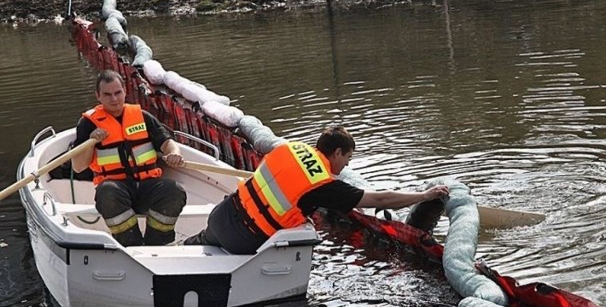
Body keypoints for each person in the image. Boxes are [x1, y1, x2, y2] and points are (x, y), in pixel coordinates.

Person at [184, 125, 449, 253]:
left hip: (221, 216)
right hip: (243, 237)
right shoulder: (322, 183)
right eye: (347, 159)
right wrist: (424, 195)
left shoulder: (289, 148)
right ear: (336, 153)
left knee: (190, 250)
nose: (345, 167)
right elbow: (380, 198)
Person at [72, 69, 187, 246]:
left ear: (125, 91)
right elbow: (78, 166)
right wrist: (92, 141)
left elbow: (167, 143)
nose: (114, 99)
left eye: (118, 93)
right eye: (107, 94)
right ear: (98, 96)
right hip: (116, 190)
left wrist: (174, 154)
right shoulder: (87, 124)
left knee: (174, 191)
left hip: (147, 187)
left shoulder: (143, 117)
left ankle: (157, 244)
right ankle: (130, 244)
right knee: (107, 191)